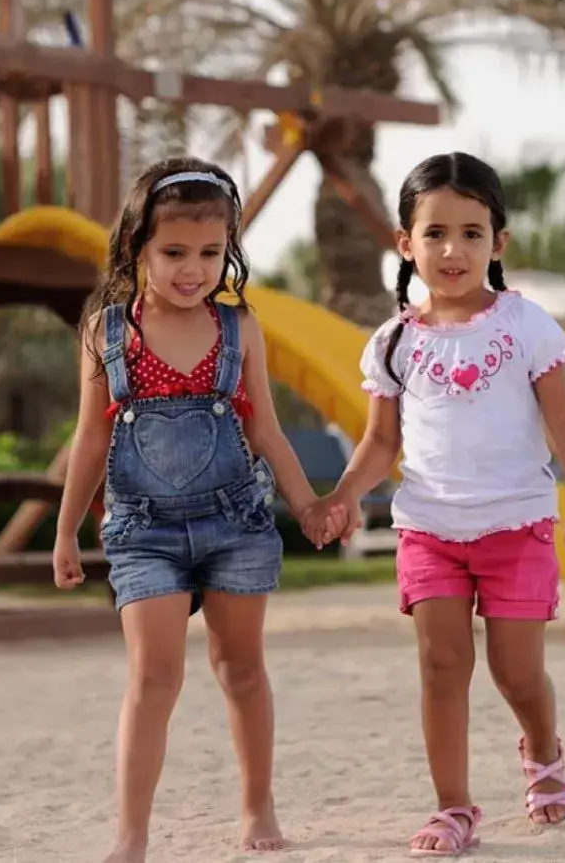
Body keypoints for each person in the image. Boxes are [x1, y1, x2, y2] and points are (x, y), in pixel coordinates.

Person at [306, 152, 565, 856]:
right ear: (404, 242)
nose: (452, 249)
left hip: (518, 524)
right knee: (442, 667)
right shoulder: (391, 343)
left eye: (472, 233)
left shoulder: (526, 327)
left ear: (497, 243)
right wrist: (344, 495)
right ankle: (452, 808)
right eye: (436, 232)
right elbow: (380, 441)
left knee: (514, 670)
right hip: (429, 528)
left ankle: (541, 751)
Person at [51, 156, 349, 863]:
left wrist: (305, 504)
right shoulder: (106, 331)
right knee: (153, 675)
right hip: (142, 531)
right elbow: (90, 436)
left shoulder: (238, 327)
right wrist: (65, 531)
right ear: (136, 249)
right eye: (174, 252)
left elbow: (265, 428)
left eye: (210, 253)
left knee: (239, 667)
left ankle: (256, 805)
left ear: (228, 252)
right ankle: (131, 834)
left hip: (235, 523)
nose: (193, 269)